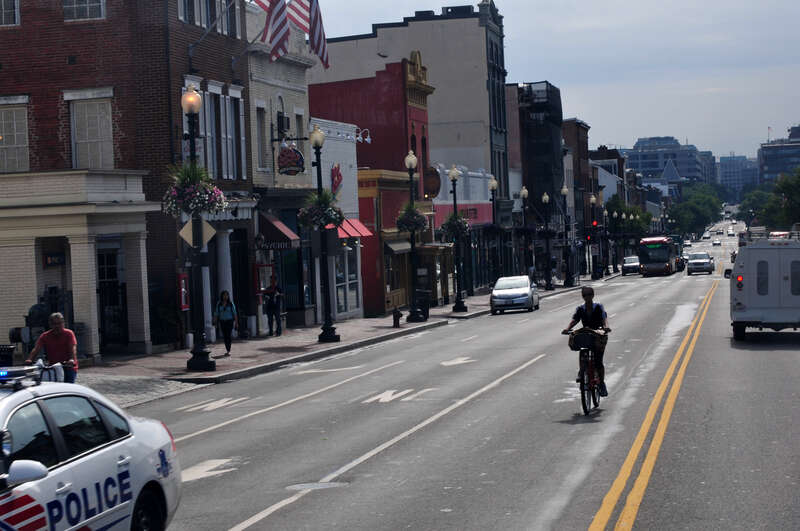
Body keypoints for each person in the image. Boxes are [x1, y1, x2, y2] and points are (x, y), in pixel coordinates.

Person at [562, 286, 611, 396]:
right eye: (584, 295)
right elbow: (575, 319)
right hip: (586, 334)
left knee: (598, 361)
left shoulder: (598, 307)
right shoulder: (580, 308)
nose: (587, 297)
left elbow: (604, 318)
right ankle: (582, 370)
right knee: (582, 349)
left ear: (593, 295)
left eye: (589, 294)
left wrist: (606, 327)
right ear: (582, 297)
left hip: (598, 334)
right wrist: (567, 328)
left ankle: (602, 383)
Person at [25, 312, 79, 383]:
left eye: (59, 323)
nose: (57, 326)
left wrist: (71, 359)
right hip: (54, 367)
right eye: (54, 324)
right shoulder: (45, 336)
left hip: (68, 366)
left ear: (63, 323)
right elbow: (36, 348)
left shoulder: (69, 334)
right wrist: (30, 359)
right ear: (50, 324)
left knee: (68, 384)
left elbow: (72, 348)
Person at [213, 290, 238, 357]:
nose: (225, 296)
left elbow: (235, 313)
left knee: (228, 335)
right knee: (225, 336)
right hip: (222, 321)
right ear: (222, 296)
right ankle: (227, 348)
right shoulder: (219, 304)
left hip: (229, 321)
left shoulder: (230, 303)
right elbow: (216, 313)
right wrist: (215, 322)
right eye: (224, 295)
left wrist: (236, 323)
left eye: (227, 295)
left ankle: (228, 350)